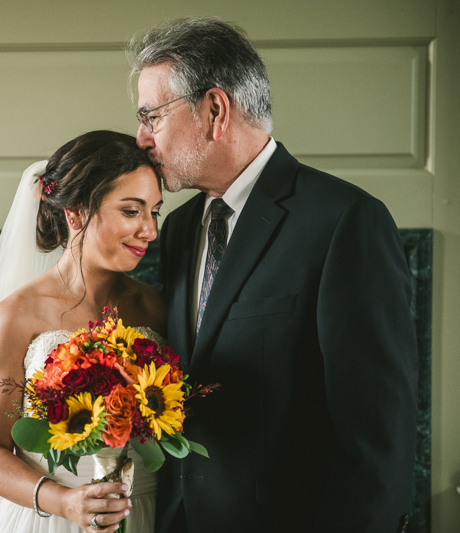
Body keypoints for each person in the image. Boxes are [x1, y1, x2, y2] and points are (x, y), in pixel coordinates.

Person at [128, 17, 419, 533]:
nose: (141, 137)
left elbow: (377, 437)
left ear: (215, 110)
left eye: (152, 115)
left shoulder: (344, 222)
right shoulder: (173, 230)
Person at [0, 130, 167, 533]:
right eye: (132, 211)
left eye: (155, 212)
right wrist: (63, 501)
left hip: (145, 515)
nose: (150, 230)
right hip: (50, 521)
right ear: (76, 212)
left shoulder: (155, 308)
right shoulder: (14, 317)